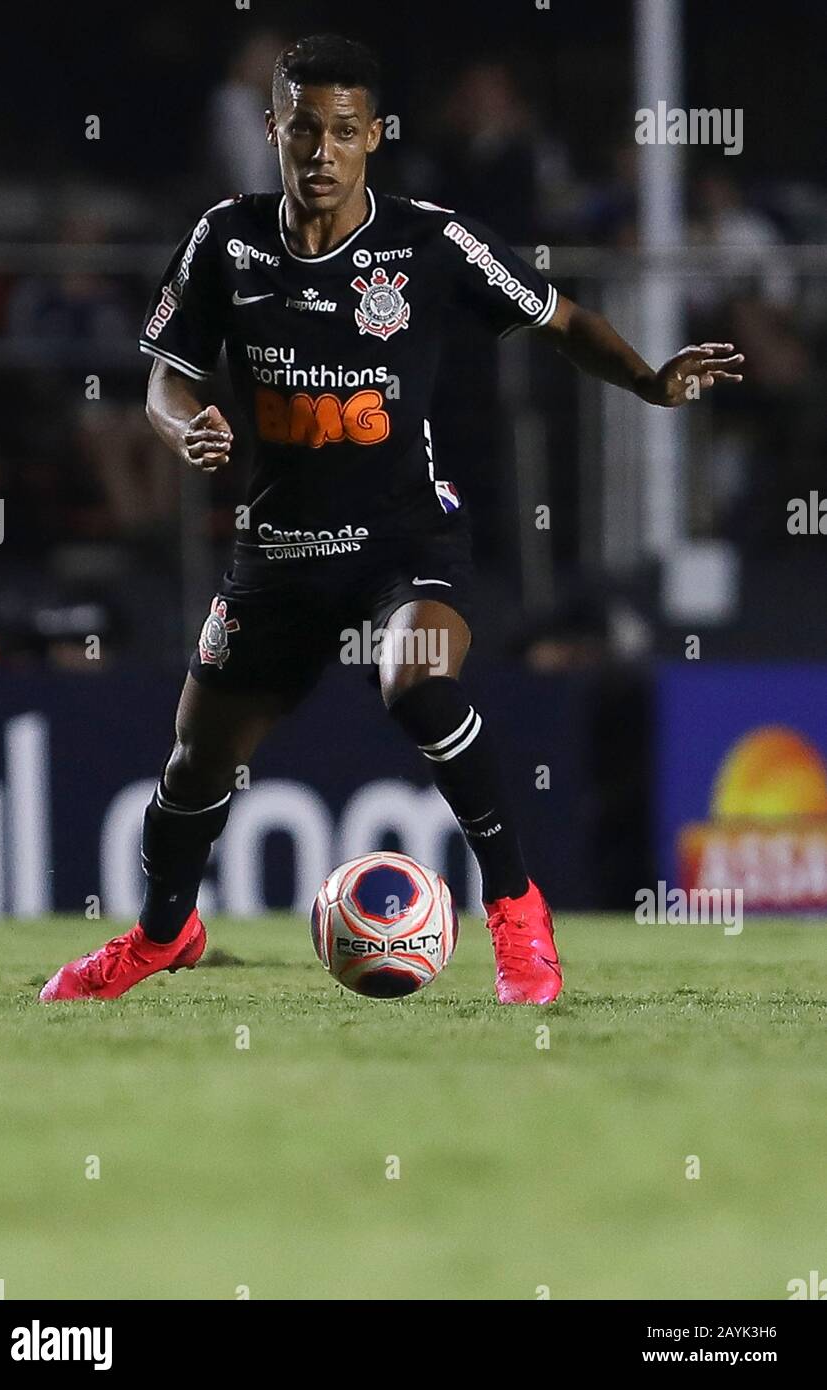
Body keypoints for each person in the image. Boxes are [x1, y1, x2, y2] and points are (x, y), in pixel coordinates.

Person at [40, 34, 743, 1007]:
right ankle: (165, 933)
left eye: (340, 132)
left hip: (405, 537)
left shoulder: (427, 243)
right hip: (278, 553)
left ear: (371, 136)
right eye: (301, 130)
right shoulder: (226, 240)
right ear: (272, 130)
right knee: (194, 762)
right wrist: (181, 424)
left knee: (416, 681)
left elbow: (560, 319)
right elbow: (166, 377)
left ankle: (516, 915)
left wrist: (648, 383)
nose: (319, 151)